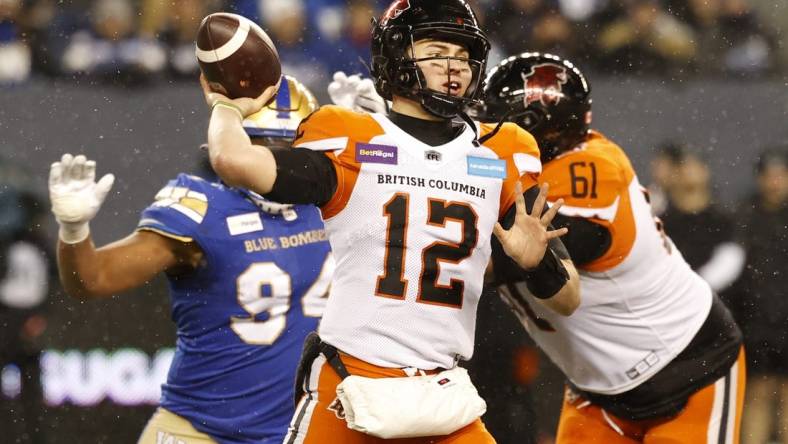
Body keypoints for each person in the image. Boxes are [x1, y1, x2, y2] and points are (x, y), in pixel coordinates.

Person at [200, 1, 581, 442]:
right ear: (398, 55)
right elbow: (232, 159)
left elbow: (569, 297)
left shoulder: (500, 152)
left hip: (441, 391)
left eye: (462, 55)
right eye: (437, 51)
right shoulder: (351, 137)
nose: (453, 67)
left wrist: (537, 265)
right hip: (350, 380)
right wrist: (228, 107)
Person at [48, 76, 333, 444]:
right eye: (262, 143)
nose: (275, 159)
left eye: (289, 145)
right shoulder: (204, 209)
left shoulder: (336, 202)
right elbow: (92, 279)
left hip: (303, 432)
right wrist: (74, 230)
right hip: (201, 432)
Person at [480, 52, 745, 443]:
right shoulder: (520, 172)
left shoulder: (591, 169)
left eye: (492, 121)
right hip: (596, 389)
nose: (481, 131)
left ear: (535, 130)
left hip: (689, 369)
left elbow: (506, 260)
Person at [734, 148, 788, 444]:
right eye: (769, 175)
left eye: (781, 174)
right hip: (756, 323)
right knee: (757, 392)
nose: (775, 182)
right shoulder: (745, 216)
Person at [661, 148, 745, 295]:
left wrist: (695, 286)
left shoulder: (724, 220)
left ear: (705, 172)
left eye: (694, 167)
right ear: (672, 175)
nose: (688, 173)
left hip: (716, 304)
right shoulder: (660, 222)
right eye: (681, 168)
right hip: (671, 303)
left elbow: (730, 261)